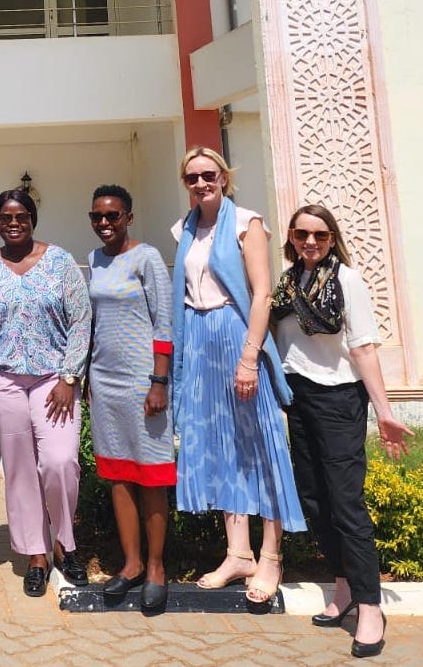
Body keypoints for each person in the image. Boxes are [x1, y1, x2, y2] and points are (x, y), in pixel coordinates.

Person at [272, 203, 413, 658]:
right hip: (299, 397)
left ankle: (370, 605)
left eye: (320, 234)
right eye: (302, 234)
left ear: (332, 239)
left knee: (346, 501)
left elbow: (364, 347)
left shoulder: (346, 280)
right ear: (291, 237)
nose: (310, 241)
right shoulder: (288, 282)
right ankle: (343, 586)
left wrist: (384, 410)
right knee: (315, 499)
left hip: (338, 399)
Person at [171, 146, 306, 605]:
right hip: (199, 335)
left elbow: (263, 293)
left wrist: (249, 358)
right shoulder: (184, 229)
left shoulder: (245, 222)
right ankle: (238, 552)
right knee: (220, 444)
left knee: (260, 443)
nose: (201, 183)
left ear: (223, 178)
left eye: (209, 175)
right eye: (192, 178)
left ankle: (270, 556)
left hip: (236, 331)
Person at [0, 188, 91, 596]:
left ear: (32, 218)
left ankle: (65, 543)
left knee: (60, 462)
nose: (14, 222)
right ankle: (36, 555)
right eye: (5, 216)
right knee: (19, 470)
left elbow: (80, 321)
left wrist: (70, 377)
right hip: (3, 379)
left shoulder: (60, 262)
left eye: (21, 215)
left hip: (53, 380)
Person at [86, 184, 174, 614]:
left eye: (113, 216)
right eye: (98, 217)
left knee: (151, 474)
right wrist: (86, 375)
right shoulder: (95, 260)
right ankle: (132, 563)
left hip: (144, 381)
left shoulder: (148, 257)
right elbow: (95, 322)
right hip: (105, 381)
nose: (105, 224)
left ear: (129, 217)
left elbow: (164, 322)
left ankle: (157, 567)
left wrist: (159, 381)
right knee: (119, 474)